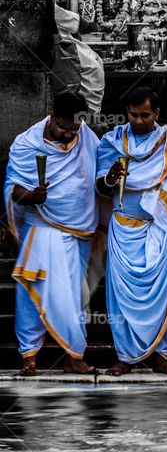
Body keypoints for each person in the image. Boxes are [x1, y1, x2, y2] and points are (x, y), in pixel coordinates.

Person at [96, 87, 167, 376]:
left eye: (145, 115)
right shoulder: (112, 141)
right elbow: (99, 187)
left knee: (162, 295)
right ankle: (125, 356)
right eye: (133, 114)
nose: (139, 121)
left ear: (157, 114)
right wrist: (110, 178)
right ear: (126, 113)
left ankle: (159, 354)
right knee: (121, 297)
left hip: (160, 229)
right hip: (123, 231)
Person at [5, 92, 98, 376]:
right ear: (51, 113)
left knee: (72, 297)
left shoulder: (87, 137)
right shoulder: (26, 144)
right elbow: (12, 188)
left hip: (78, 230)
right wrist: (32, 195)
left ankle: (73, 355)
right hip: (41, 229)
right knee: (33, 294)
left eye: (74, 130)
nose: (70, 135)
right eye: (63, 128)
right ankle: (29, 356)